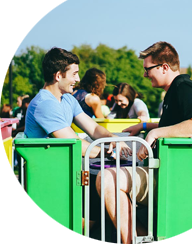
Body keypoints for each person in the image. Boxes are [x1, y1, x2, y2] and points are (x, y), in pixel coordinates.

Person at [96, 41, 192, 244]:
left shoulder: (184, 87)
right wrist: (145, 127)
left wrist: (155, 133)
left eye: (147, 69)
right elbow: (176, 124)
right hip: (165, 173)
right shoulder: (174, 90)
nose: (144, 74)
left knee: (107, 178)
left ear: (164, 67)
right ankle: (139, 237)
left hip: (171, 178)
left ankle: (131, 241)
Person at [24, 47, 131, 226]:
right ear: (58, 75)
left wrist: (112, 139)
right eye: (74, 74)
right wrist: (109, 153)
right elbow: (73, 143)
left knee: (104, 216)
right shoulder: (45, 104)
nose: (78, 79)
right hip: (48, 181)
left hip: (63, 176)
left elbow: (94, 128)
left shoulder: (68, 99)